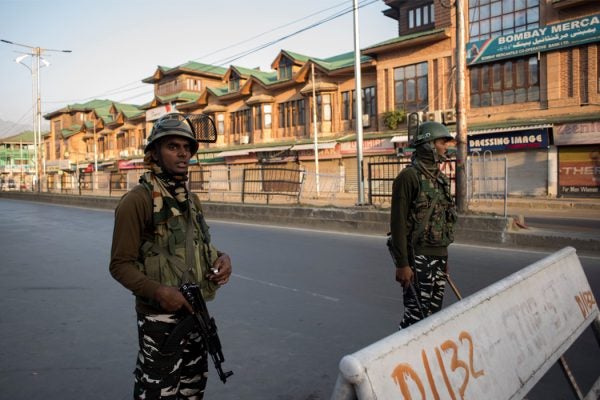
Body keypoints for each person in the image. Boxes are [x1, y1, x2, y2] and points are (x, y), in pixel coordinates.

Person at [109, 113, 232, 399]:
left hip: (195, 312)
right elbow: (119, 264)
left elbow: (199, 244)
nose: (183, 154)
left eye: (187, 148)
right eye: (173, 146)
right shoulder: (138, 201)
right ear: (154, 152)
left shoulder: (189, 198)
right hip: (159, 320)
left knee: (192, 388)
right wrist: (159, 291)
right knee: (158, 391)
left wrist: (222, 258)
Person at [388, 121, 457, 329]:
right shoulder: (408, 177)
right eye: (441, 142)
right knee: (415, 318)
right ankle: (398, 359)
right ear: (428, 144)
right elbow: (398, 223)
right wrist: (402, 264)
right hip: (417, 258)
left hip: (438, 256)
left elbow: (444, 220)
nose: (446, 147)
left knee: (432, 318)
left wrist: (443, 258)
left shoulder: (440, 179)